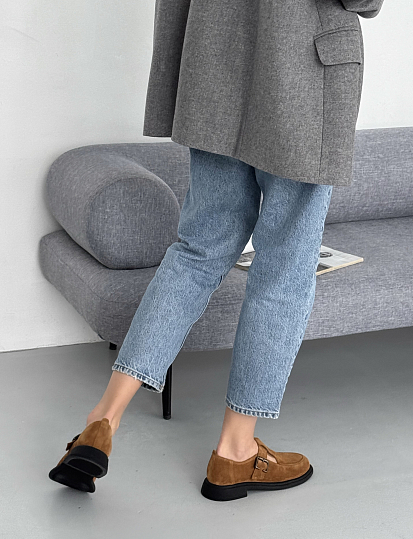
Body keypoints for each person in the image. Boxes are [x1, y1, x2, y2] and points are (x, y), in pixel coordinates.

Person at [49, 0, 385, 501]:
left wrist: (179, 74)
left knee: (197, 253)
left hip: (213, 73)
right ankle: (235, 451)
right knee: (284, 268)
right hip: (303, 83)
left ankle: (101, 423)